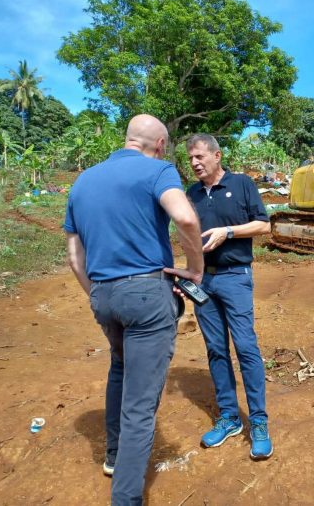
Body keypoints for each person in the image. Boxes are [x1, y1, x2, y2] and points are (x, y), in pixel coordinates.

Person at [63, 114, 204, 505]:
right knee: (141, 406)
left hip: (103, 297)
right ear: (159, 145)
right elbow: (186, 216)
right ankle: (125, 499)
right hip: (146, 297)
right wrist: (196, 269)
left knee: (120, 367)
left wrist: (95, 294)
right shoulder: (158, 171)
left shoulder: (83, 181)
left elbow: (75, 256)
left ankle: (113, 455)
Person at [185, 133, 273, 460]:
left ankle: (259, 421)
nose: (194, 163)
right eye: (190, 158)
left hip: (236, 278)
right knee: (216, 350)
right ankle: (230, 418)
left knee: (246, 348)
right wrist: (189, 274)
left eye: (199, 156)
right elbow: (187, 235)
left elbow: (264, 226)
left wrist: (229, 232)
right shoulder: (191, 194)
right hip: (203, 282)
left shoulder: (242, 184)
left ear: (217, 155)